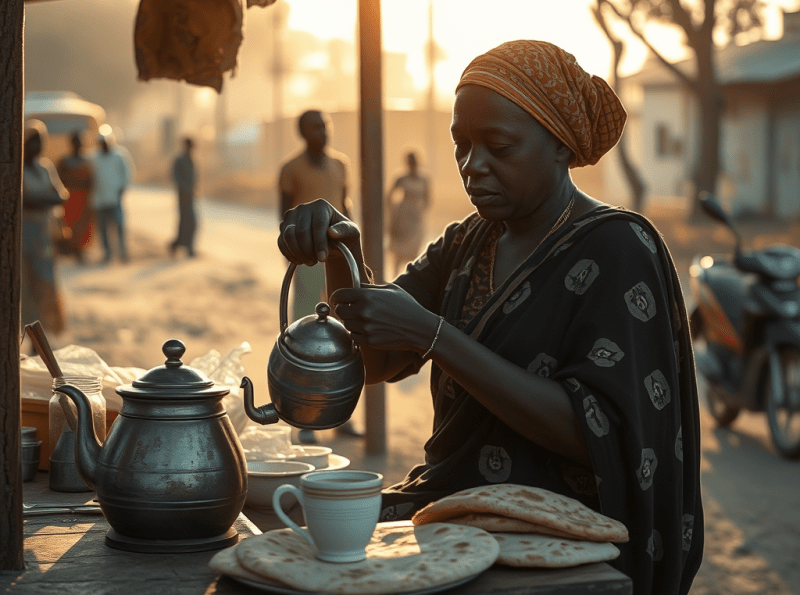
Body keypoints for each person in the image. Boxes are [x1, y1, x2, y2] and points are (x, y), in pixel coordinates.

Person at [276, 40, 703, 595]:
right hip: (456, 513)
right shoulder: (467, 243)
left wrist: (435, 336)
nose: (472, 166)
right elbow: (377, 359)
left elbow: (598, 433)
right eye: (461, 144)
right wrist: (341, 254)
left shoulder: (619, 249)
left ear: (559, 145)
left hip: (566, 539)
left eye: (498, 145)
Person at [278, 109, 361, 444]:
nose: (323, 131)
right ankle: (307, 418)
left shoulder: (340, 164)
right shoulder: (291, 169)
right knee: (307, 341)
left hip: (338, 262)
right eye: (316, 126)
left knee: (346, 337)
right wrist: (291, 252)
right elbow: (283, 215)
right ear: (302, 131)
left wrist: (355, 253)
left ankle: (343, 416)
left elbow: (347, 209)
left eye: (325, 125)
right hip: (309, 263)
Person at [21, 119, 69, 337]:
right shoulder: (17, 169)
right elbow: (23, 201)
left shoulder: (44, 167)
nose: (38, 147)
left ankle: (41, 334)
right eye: (34, 142)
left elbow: (60, 196)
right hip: (23, 234)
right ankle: (27, 333)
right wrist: (44, 200)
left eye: (40, 142)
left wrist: (39, 200)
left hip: (43, 234)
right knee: (26, 283)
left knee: (46, 282)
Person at [386, 151, 431, 277]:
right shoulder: (401, 178)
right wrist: (394, 212)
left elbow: (428, 199)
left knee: (414, 249)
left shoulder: (424, 179)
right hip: (403, 215)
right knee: (399, 250)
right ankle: (394, 277)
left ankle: (411, 277)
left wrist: (420, 212)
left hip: (416, 216)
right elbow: (388, 197)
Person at [91, 131, 133, 264]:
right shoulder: (94, 157)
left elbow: (128, 172)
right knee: (103, 228)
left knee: (119, 226)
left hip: (115, 198)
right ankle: (107, 253)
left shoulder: (119, 155)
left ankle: (122, 252)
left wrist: (123, 188)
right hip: (100, 198)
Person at [56, 132, 95, 262]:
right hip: (69, 199)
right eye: (76, 142)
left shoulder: (88, 161)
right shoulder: (64, 161)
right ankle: (71, 249)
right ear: (72, 144)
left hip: (84, 199)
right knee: (69, 224)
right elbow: (58, 180)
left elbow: (92, 181)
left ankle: (80, 250)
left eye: (80, 142)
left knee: (83, 225)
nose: (78, 145)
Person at [169, 137, 198, 258]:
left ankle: (179, 245)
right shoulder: (180, 159)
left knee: (190, 222)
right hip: (183, 195)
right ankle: (185, 246)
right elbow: (175, 176)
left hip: (190, 195)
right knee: (188, 222)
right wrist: (185, 188)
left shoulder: (192, 159)